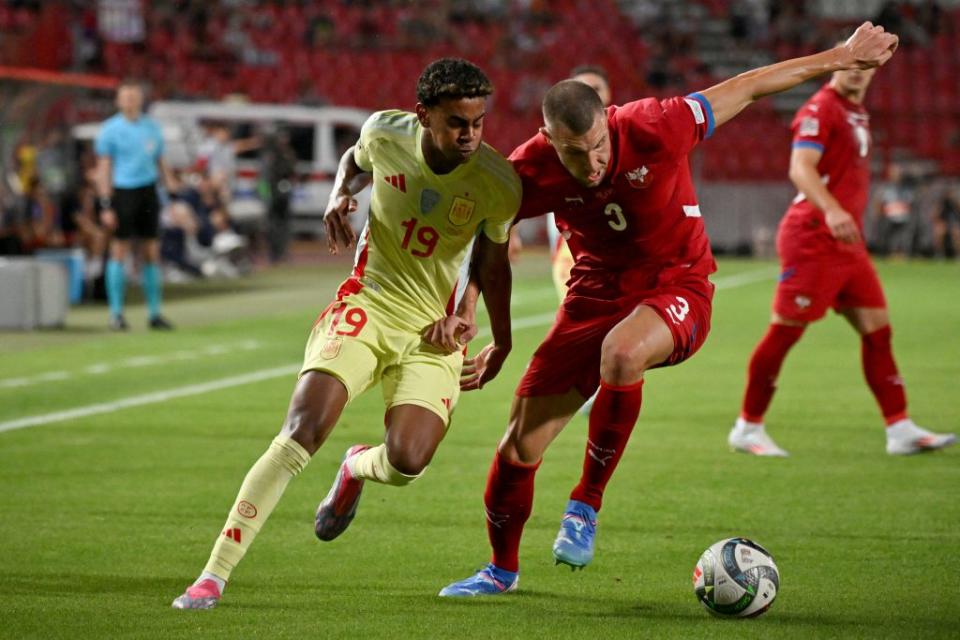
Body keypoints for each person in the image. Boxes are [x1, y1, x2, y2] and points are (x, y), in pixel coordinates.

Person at [438, 22, 901, 598]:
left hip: (677, 284)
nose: (590, 163)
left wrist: (843, 56)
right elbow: (486, 239)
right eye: (574, 154)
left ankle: (585, 504)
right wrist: (475, 315)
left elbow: (752, 85)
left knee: (622, 353)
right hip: (592, 295)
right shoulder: (529, 168)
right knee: (518, 447)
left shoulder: (657, 124)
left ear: (609, 119)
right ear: (547, 138)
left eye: (599, 146)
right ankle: (500, 571)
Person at [171, 58, 520, 610]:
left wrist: (487, 329)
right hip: (369, 301)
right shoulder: (386, 131)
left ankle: (356, 465)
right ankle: (212, 575)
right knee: (302, 428)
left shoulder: (498, 182)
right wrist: (339, 194)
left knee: (408, 462)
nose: (470, 134)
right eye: (457, 122)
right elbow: (354, 162)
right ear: (423, 116)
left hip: (432, 328)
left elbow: (493, 263)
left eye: (478, 122)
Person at [728, 38, 956, 458]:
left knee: (878, 331)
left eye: (863, 64)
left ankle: (899, 428)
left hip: (847, 246)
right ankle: (748, 426)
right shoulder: (820, 109)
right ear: (836, 65)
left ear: (874, 69)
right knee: (784, 332)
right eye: (848, 62)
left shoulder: (857, 112)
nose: (855, 70)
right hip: (813, 237)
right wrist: (832, 210)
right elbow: (800, 168)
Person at [94, 78, 174, 330]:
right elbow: (104, 168)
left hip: (148, 190)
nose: (130, 101)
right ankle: (116, 313)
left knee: (151, 251)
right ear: (118, 101)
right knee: (120, 249)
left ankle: (154, 313)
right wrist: (106, 203)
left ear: (140, 99)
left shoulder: (151, 127)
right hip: (123, 191)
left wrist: (170, 187)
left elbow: (160, 161)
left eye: (133, 96)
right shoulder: (110, 129)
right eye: (125, 97)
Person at [546, 65, 613, 301]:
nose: (590, 94)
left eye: (596, 88)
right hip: (574, 250)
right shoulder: (553, 146)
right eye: (583, 88)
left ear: (609, 94)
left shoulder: (629, 133)